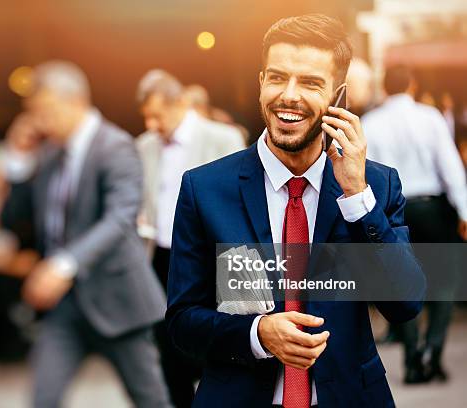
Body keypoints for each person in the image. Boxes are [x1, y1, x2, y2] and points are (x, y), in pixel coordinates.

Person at [166, 14, 425, 407]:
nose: (289, 95)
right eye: (277, 77)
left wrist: (356, 194)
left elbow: (405, 304)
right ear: (261, 83)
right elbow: (182, 321)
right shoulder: (204, 189)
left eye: (310, 82)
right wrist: (256, 334)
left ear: (339, 97)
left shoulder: (376, 186)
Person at [3, 61, 170, 408]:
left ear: (75, 101)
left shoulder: (115, 146)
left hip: (118, 299)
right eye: (33, 113)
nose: (39, 121)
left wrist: (64, 265)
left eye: (45, 110)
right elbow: (15, 219)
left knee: (150, 400)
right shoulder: (48, 154)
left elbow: (120, 218)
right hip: (64, 308)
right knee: (43, 399)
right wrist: (18, 160)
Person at [136, 70, 244, 407]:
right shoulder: (144, 146)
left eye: (158, 114)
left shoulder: (223, 138)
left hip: (209, 256)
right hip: (161, 256)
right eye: (147, 117)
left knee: (215, 340)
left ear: (180, 102)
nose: (152, 124)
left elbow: (239, 199)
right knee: (167, 347)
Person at [362, 65, 467, 383]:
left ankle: (411, 360)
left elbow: (370, 174)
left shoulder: (370, 123)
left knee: (400, 285)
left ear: (384, 86)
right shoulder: (430, 117)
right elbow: (450, 167)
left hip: (395, 211)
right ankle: (432, 352)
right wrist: (464, 212)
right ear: (412, 84)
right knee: (444, 284)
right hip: (434, 209)